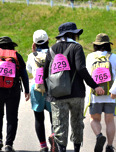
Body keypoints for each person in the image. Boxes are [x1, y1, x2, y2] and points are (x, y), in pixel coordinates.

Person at [43, 22, 105, 152]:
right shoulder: (76, 48)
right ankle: (76, 149)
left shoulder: (51, 49)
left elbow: (45, 73)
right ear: (73, 34)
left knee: (60, 125)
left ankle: (61, 148)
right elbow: (81, 69)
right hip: (76, 92)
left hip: (57, 94)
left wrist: (49, 93)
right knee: (77, 123)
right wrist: (95, 85)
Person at [85, 33, 116, 152]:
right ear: (108, 45)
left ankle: (99, 136)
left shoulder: (90, 57)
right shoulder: (113, 57)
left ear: (96, 45)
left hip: (95, 94)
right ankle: (109, 146)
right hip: (110, 94)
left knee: (94, 119)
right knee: (109, 121)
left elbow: (88, 74)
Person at [26, 30, 53, 152]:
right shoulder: (54, 53)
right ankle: (54, 137)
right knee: (54, 117)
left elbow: (29, 69)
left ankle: (43, 146)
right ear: (48, 40)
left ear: (34, 43)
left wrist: (33, 52)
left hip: (37, 87)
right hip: (52, 87)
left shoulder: (32, 56)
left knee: (39, 118)